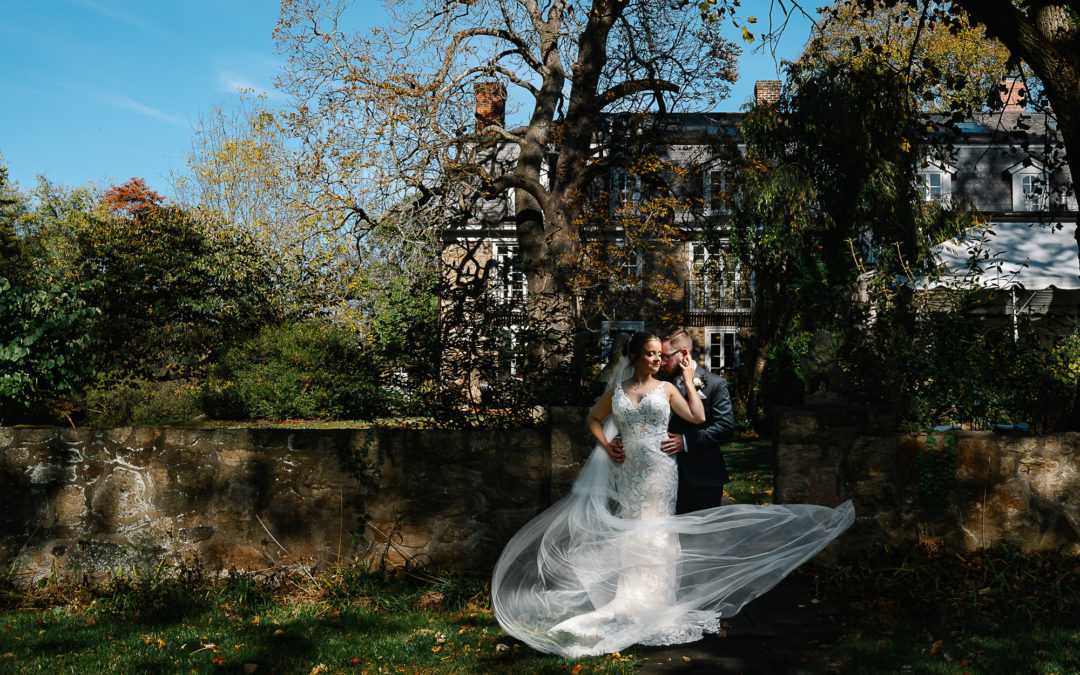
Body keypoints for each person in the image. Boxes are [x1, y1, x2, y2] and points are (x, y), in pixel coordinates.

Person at [491, 331, 854, 657]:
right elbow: (592, 419)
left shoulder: (666, 389)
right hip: (628, 472)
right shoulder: (617, 390)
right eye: (650, 354)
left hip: (660, 472)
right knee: (632, 531)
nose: (656, 359)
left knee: (657, 533)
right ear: (634, 356)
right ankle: (629, 598)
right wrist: (607, 445)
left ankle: (656, 601)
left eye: (658, 354)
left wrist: (688, 379)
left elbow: (697, 418)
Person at [609, 328, 734, 513]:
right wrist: (622, 438)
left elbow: (725, 427)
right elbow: (639, 415)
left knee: (701, 531)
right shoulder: (658, 382)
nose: (661, 362)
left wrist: (686, 441)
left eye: (665, 357)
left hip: (702, 476)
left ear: (683, 353)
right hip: (661, 476)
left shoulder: (715, 384)